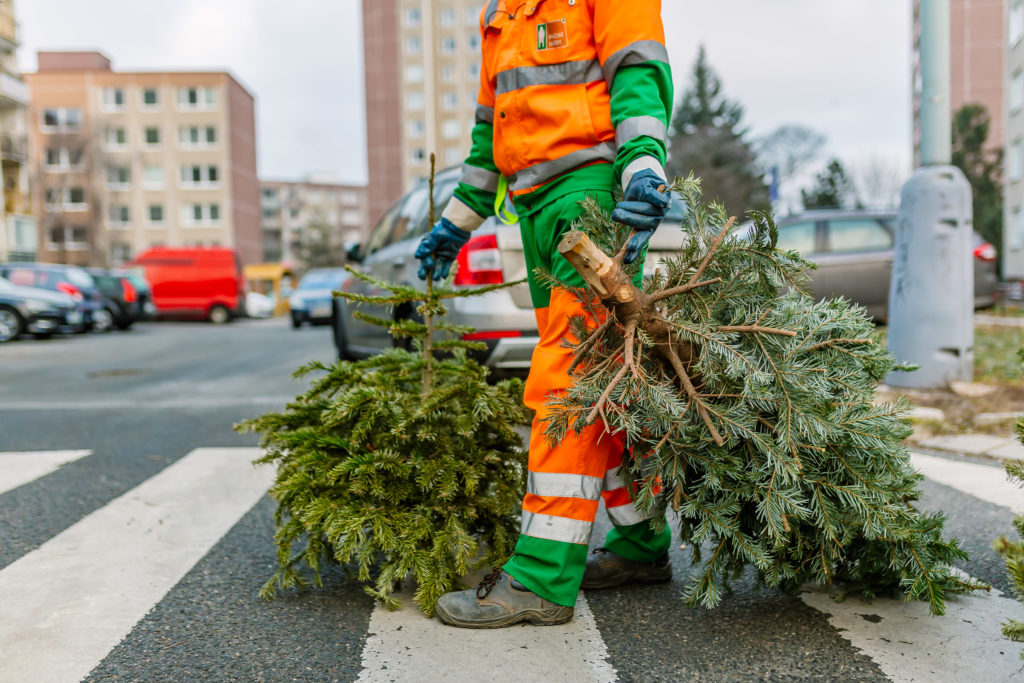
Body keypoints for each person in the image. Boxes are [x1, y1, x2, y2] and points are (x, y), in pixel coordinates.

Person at [415, 0, 674, 628]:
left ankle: (540, 577)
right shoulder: (499, 19)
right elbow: (489, 136)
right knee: (600, 386)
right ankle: (641, 544)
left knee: (566, 383)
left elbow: (638, 70)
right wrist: (455, 225)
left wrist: (643, 162)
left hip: (586, 200)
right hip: (534, 211)